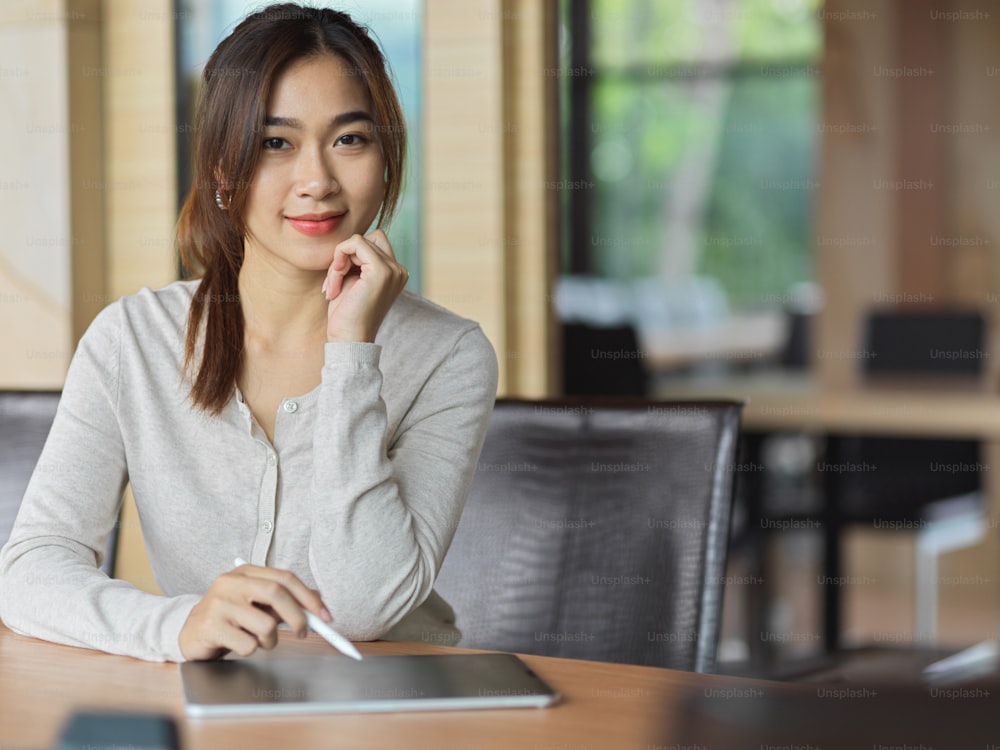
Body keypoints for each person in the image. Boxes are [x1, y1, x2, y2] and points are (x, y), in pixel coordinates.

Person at [0, 3, 498, 662]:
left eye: (349, 139)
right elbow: (30, 573)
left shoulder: (450, 355)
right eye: (275, 143)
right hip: (220, 704)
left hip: (394, 710)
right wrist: (176, 628)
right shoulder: (132, 340)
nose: (316, 181)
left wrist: (352, 353)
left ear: (385, 157)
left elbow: (365, 607)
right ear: (219, 172)